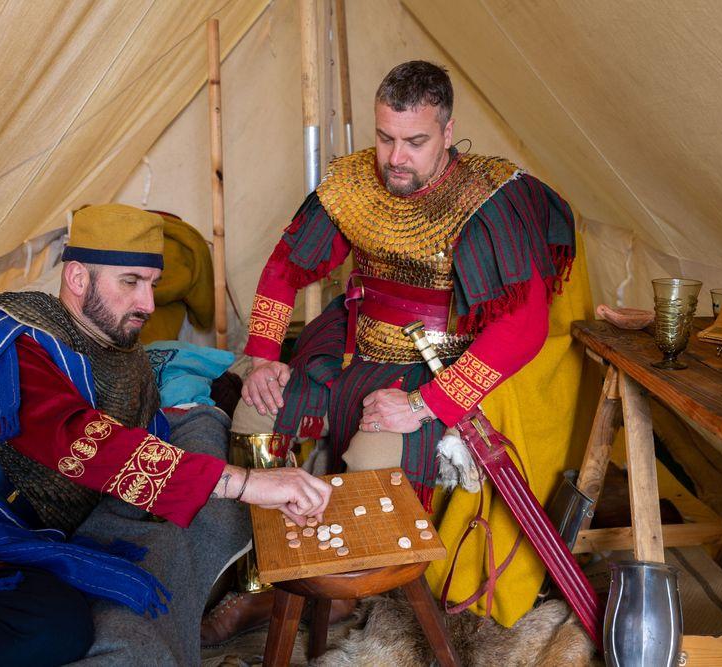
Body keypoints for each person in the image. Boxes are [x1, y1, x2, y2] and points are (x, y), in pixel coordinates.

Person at [0, 204, 332, 666]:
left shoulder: (128, 364)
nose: (148, 303)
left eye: (153, 283)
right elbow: (78, 441)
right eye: (130, 282)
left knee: (55, 622)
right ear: (78, 277)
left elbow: (143, 436)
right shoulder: (14, 336)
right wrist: (244, 484)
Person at [203, 60, 577, 642]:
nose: (395, 157)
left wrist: (428, 405)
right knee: (256, 412)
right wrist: (262, 354)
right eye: (385, 138)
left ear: (448, 133)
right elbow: (283, 270)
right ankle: (264, 582)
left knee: (370, 467)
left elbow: (524, 327)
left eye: (415, 141)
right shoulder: (351, 184)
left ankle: (349, 592)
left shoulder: (491, 196)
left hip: (436, 365)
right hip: (354, 343)